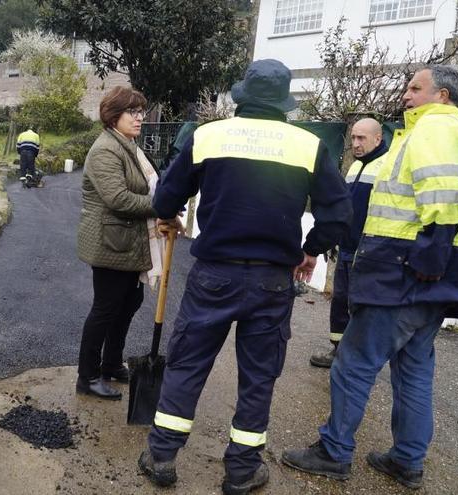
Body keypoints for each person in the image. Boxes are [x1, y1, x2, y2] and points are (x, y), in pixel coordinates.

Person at [281, 65, 458, 490]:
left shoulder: (435, 130)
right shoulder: (456, 134)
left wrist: (428, 260)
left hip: (405, 276)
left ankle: (334, 452)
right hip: (432, 279)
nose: (406, 95)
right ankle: (406, 459)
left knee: (353, 364)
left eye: (415, 88)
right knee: (413, 369)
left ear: (442, 96)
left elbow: (441, 201)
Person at [137, 59, 353, 495]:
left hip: (214, 274)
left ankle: (161, 456)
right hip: (273, 280)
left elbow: (167, 195)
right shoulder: (308, 146)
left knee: (187, 364)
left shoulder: (209, 135)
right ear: (285, 102)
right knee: (258, 377)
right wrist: (310, 251)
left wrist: (168, 215)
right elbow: (340, 215)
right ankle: (241, 471)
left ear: (242, 96)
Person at [76, 86, 164, 400]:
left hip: (128, 242)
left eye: (142, 111)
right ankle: (86, 377)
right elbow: (117, 198)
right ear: (114, 115)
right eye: (133, 112)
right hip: (111, 244)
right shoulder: (105, 149)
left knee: (128, 304)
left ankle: (111, 363)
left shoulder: (126, 145)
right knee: (105, 309)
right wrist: (160, 207)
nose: (140, 117)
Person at [309, 118, 389, 368]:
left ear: (377, 138)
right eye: (353, 138)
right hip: (346, 247)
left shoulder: (387, 166)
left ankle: (359, 358)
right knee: (340, 301)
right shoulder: (355, 167)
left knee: (362, 306)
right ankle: (338, 352)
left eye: (361, 138)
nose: (355, 143)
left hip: (368, 251)